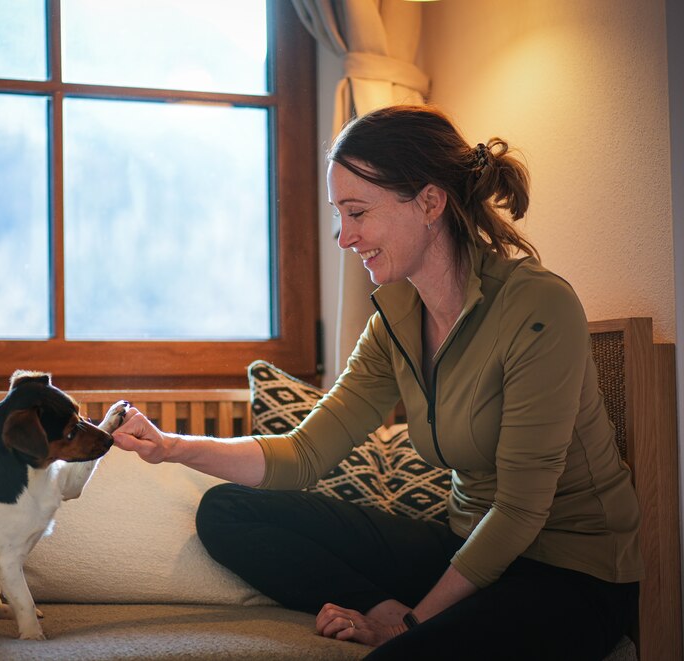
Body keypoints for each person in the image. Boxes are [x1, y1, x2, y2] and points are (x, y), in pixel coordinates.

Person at [112, 105, 642, 660]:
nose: (344, 237)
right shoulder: (395, 321)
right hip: (464, 546)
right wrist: (172, 447)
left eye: (358, 212)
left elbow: (520, 511)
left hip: (569, 571)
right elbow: (304, 454)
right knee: (228, 511)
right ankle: (380, 607)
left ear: (430, 203)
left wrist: (410, 629)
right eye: (339, 215)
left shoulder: (538, 306)